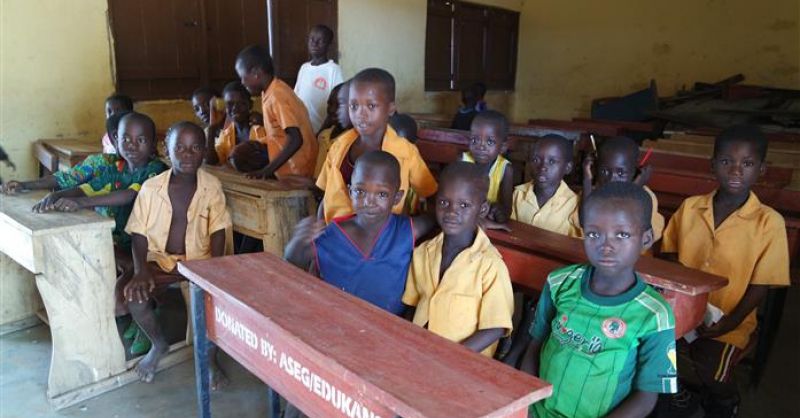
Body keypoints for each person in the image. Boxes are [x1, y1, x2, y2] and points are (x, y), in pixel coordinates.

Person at [660, 125, 790, 417]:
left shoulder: (769, 223)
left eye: (747, 164)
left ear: (761, 169)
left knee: (714, 374)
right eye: (726, 161)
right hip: (682, 313)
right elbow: (668, 253)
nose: (735, 171)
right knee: (658, 357)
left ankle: (724, 404)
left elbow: (762, 284)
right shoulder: (691, 207)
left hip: (730, 323)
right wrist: (685, 294)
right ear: (712, 165)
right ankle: (676, 394)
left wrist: (731, 322)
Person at [521, 182, 677, 418]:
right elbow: (535, 346)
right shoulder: (560, 282)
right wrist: (527, 406)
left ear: (645, 239)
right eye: (594, 234)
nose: (606, 246)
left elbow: (646, 396)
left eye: (622, 234)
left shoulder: (655, 315)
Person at [123, 121, 232, 385]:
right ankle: (158, 345)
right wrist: (140, 270)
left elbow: (218, 229)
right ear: (166, 151)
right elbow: (138, 233)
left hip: (200, 262)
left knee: (213, 305)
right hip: (160, 261)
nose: (186, 154)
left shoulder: (211, 187)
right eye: (179, 148)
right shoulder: (151, 188)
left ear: (204, 152)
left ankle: (209, 359)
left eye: (195, 148)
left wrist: (214, 272)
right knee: (134, 297)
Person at [402, 162, 514, 357]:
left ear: (482, 209)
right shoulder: (422, 252)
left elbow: (495, 327)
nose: (452, 212)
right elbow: (412, 304)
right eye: (444, 202)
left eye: (464, 205)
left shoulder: (490, 265)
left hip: (465, 362)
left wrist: (452, 357)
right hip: (421, 352)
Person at [316, 68, 437, 223]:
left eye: (371, 106)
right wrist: (319, 231)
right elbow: (327, 198)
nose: (360, 114)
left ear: (390, 109)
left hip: (381, 241)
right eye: (354, 106)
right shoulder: (338, 146)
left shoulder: (406, 153)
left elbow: (430, 192)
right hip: (336, 238)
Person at [235, 44, 318, 178]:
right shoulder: (270, 90)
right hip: (286, 164)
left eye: (243, 76)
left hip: (297, 169)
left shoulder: (277, 95)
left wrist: (266, 171)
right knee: (241, 153)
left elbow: (296, 139)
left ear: (256, 73)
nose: (242, 82)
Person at [1, 112, 129, 195]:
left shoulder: (148, 169)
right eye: (126, 138)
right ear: (113, 138)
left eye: (142, 139)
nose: (133, 145)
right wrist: (24, 185)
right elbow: (67, 177)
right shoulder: (103, 162)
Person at [580, 135, 664, 242]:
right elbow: (585, 221)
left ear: (636, 171)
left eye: (620, 173)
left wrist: (635, 188)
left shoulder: (646, 197)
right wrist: (587, 179)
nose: (611, 179)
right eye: (604, 172)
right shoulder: (593, 191)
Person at [511, 134, 579, 236]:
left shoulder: (574, 204)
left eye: (552, 161)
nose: (542, 167)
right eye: (536, 160)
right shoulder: (518, 194)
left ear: (568, 167)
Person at [461, 110, 513, 222]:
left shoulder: (505, 169)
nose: (481, 147)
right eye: (475, 140)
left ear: (503, 146)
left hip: (489, 222)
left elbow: (506, 208)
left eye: (489, 142)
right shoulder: (462, 161)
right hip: (464, 219)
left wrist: (498, 211)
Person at [206, 81, 269, 171]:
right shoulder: (227, 134)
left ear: (250, 105)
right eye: (230, 104)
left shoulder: (260, 127)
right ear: (225, 108)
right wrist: (212, 129)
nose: (235, 108)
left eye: (241, 103)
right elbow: (212, 161)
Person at [294, 24, 344, 133]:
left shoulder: (333, 69)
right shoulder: (304, 68)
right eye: (312, 39)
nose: (314, 43)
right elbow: (296, 97)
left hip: (320, 130)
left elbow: (337, 103)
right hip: (302, 130)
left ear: (329, 46)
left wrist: (321, 132)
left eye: (320, 41)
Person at [314, 82, 348, 176]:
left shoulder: (350, 140)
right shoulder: (324, 135)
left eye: (339, 105)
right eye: (330, 104)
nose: (332, 109)